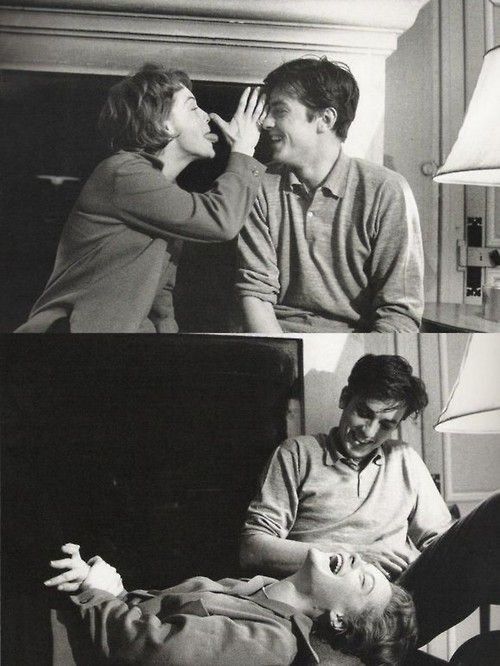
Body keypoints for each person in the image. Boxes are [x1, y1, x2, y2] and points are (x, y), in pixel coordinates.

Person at [16, 63, 266, 333]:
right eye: (193, 108)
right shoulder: (123, 173)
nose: (207, 115)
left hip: (101, 350)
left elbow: (160, 305)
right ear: (164, 124)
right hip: (64, 347)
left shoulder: (158, 191)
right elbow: (221, 221)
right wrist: (244, 149)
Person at [235, 57, 424, 333]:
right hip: (277, 342)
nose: (265, 122)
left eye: (279, 111)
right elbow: (256, 295)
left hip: (359, 349)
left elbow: (399, 312)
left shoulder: (387, 190)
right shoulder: (260, 186)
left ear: (325, 119)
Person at [240, 354, 453, 583]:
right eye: (364, 413)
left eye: (386, 425)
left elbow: (443, 544)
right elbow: (253, 549)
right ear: (344, 399)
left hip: (392, 596)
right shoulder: (297, 454)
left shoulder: (405, 459)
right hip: (318, 594)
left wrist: (416, 559)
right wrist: (351, 556)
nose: (369, 432)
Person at [44, 543, 417, 666]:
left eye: (363, 579)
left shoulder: (272, 644)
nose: (356, 559)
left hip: (63, 652)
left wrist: (99, 595)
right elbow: (156, 614)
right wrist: (110, 586)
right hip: (68, 623)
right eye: (366, 562)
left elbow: (148, 649)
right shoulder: (260, 587)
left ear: (337, 621)